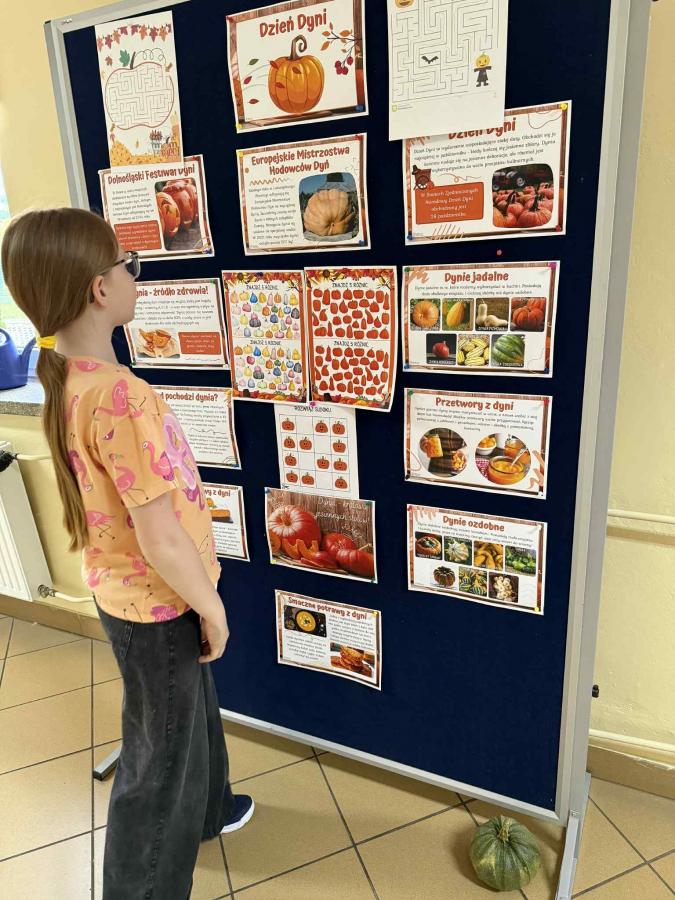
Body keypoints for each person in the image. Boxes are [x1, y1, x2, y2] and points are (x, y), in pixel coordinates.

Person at [1, 208, 254, 900]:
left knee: (190, 713)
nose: (134, 276)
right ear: (99, 288)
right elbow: (160, 535)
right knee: (156, 757)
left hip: (131, 593)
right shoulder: (119, 395)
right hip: (159, 601)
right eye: (127, 265)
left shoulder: (69, 374)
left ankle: (212, 808)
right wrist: (212, 608)